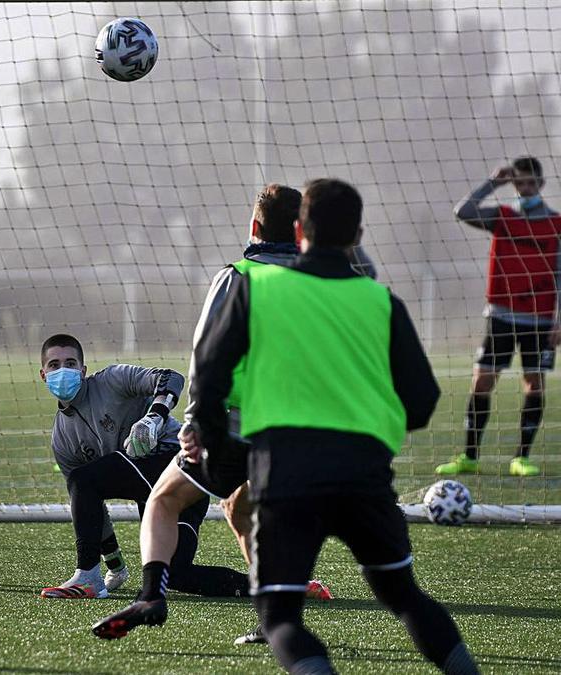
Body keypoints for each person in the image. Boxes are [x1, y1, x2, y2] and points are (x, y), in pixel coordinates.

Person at [181, 178, 479, 674]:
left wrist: (214, 451)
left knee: (280, 619)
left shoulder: (256, 287)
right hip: (364, 476)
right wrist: (376, 430)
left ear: (299, 231)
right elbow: (423, 401)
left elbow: (208, 379)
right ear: (357, 234)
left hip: (286, 476)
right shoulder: (381, 302)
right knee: (405, 598)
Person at [93, 184, 332, 644]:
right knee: (242, 510)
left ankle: (150, 596)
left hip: (233, 425)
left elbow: (206, 353)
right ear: (302, 231)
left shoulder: (237, 276)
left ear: (254, 227)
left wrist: (193, 420)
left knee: (163, 501)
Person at [37, 333, 252, 601]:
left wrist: (153, 418)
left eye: (70, 364)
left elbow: (171, 378)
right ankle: (278, 585)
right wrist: (114, 565)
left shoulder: (112, 379)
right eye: (55, 366)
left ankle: (87, 577)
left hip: (180, 462)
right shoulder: (61, 438)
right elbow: (88, 505)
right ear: (44, 375)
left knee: (84, 479)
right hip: (152, 492)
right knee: (175, 574)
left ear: (83, 370)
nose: (63, 371)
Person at [437, 156, 561, 478]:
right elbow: (462, 212)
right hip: (502, 316)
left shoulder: (557, 224)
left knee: (534, 383)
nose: (525, 188)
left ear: (541, 184)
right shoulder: (503, 217)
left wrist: (559, 319)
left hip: (540, 318)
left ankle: (521, 457)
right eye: (519, 182)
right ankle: (469, 455)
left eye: (530, 183)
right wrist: (494, 182)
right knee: (482, 380)